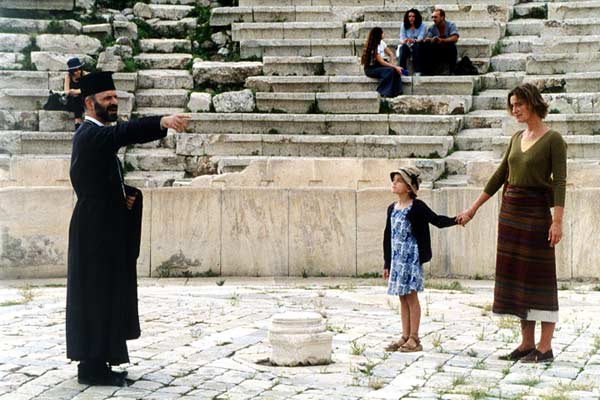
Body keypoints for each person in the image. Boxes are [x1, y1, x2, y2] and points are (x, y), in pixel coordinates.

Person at [66, 71, 190, 386]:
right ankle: (91, 367)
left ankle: (100, 361)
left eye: (115, 98)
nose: (113, 103)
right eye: (107, 99)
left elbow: (101, 181)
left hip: (102, 225)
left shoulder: (98, 135)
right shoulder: (91, 134)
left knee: (106, 293)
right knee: (95, 295)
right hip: (94, 231)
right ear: (89, 102)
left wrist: (125, 195)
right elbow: (123, 133)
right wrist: (162, 122)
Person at [457, 83, 567, 364]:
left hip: (536, 216)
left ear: (532, 103)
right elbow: (499, 176)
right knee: (518, 280)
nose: (514, 109)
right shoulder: (517, 137)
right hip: (511, 216)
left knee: (540, 280)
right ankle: (526, 344)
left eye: (519, 104)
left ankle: (545, 347)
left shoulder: (554, 139)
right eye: (512, 105)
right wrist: (473, 209)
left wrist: (557, 222)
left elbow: (560, 183)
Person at [383, 166, 458, 352]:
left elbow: (437, 220)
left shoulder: (417, 207)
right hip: (397, 259)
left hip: (411, 258)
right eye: (394, 180)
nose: (394, 183)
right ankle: (405, 335)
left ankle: (414, 338)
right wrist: (387, 263)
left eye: (399, 180)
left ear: (409, 187)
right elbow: (387, 236)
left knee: (411, 296)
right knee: (402, 297)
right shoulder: (392, 208)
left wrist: (457, 219)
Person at [361, 27, 405, 98]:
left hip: (380, 66)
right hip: (371, 68)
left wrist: (392, 65)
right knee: (390, 70)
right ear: (379, 34)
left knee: (394, 71)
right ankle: (381, 91)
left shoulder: (382, 43)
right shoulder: (373, 46)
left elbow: (390, 54)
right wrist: (395, 67)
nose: (384, 34)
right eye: (382, 33)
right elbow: (381, 62)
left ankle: (397, 92)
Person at [421, 9, 459, 75]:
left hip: (448, 50)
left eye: (435, 17)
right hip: (437, 51)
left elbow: (455, 38)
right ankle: (427, 71)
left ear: (442, 17)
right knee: (426, 46)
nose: (433, 19)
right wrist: (430, 39)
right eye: (432, 17)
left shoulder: (451, 25)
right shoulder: (432, 28)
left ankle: (452, 70)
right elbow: (428, 38)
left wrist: (442, 40)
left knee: (452, 46)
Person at [396, 9, 426, 75]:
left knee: (416, 46)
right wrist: (404, 41)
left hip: (418, 45)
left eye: (413, 16)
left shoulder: (422, 25)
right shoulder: (404, 25)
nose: (411, 18)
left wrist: (414, 40)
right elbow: (402, 37)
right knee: (403, 47)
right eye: (409, 16)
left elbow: (421, 38)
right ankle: (402, 70)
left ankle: (418, 70)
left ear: (416, 17)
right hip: (407, 45)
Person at [64, 57, 87, 130]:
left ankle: (78, 123)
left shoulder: (85, 75)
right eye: (75, 70)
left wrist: (76, 91)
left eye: (79, 69)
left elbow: (89, 88)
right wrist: (72, 92)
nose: (78, 72)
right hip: (71, 100)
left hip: (83, 99)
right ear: (71, 71)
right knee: (76, 98)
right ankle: (78, 122)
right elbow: (66, 91)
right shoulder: (68, 77)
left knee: (79, 98)